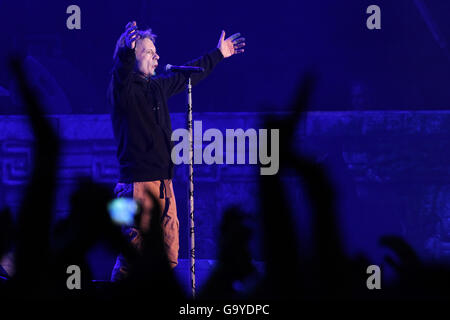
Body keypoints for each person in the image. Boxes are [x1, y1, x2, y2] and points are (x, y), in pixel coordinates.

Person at [108, 21, 245, 280]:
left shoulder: (156, 87)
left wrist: (218, 54)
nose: (157, 56)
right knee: (132, 256)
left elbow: (185, 75)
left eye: (155, 51)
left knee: (168, 254)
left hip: (164, 183)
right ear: (132, 55)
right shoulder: (122, 92)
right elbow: (120, 73)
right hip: (137, 185)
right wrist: (126, 51)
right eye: (149, 51)